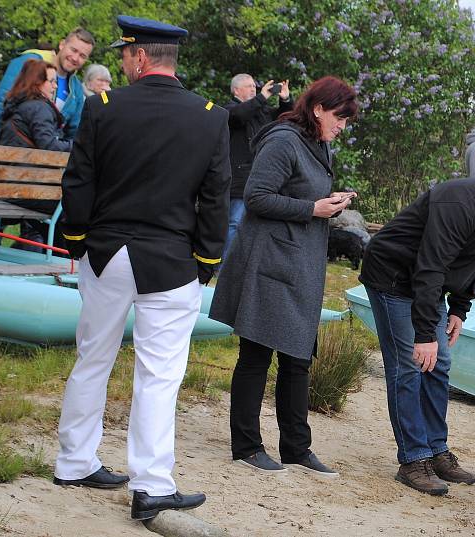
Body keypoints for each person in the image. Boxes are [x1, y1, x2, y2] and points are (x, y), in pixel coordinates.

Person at [53, 15, 230, 521]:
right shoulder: (209, 115)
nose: (126, 64)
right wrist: (207, 260)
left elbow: (78, 183)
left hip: (106, 254)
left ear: (140, 57)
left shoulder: (102, 108)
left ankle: (74, 461)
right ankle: (151, 484)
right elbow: (216, 198)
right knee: (159, 375)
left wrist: (78, 242)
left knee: (93, 359)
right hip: (172, 261)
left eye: (126, 55)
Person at [358, 163, 475, 495]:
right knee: (409, 366)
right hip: (393, 276)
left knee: (440, 363)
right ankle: (413, 460)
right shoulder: (458, 203)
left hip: (425, 283)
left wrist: (460, 308)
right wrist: (423, 335)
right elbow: (430, 266)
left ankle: (435, 450)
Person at [209, 76, 358, 477]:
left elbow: (300, 195)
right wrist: (312, 208)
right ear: (318, 109)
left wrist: (329, 204)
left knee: (297, 358)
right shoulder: (283, 140)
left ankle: (296, 448)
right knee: (256, 354)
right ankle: (246, 446)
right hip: (270, 261)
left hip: (300, 263)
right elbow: (257, 197)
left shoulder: (318, 144)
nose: (342, 126)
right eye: (340, 118)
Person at [0, 59, 71, 251]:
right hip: (26, 189)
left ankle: (19, 248)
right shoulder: (38, 107)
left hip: (6, 185)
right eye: (52, 81)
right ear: (37, 82)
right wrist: (77, 146)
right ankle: (63, 259)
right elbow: (49, 146)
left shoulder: (16, 106)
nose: (55, 87)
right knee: (74, 207)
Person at [222, 74, 293, 260]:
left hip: (262, 178)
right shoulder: (228, 109)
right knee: (235, 222)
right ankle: (226, 265)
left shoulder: (261, 112)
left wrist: (285, 99)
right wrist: (262, 97)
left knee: (258, 224)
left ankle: (247, 262)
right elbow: (239, 116)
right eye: (249, 86)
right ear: (236, 90)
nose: (254, 89)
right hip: (239, 179)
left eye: (255, 86)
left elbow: (286, 119)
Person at [0, 27, 94, 144]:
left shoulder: (76, 89)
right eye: (73, 50)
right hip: (14, 149)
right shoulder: (31, 62)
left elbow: (74, 131)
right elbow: (1, 102)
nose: (75, 58)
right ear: (62, 45)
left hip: (46, 156)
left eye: (82, 56)